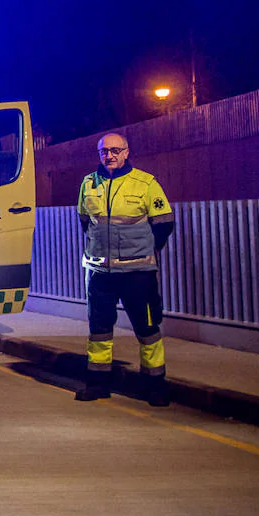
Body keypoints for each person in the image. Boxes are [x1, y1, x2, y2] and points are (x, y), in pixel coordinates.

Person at [76, 132, 175, 405]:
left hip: (137, 273)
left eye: (116, 150)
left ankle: (155, 386)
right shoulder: (88, 183)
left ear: (127, 152)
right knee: (99, 330)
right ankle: (97, 384)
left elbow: (164, 223)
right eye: (104, 151)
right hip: (99, 273)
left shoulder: (145, 183)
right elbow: (85, 220)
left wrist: (144, 252)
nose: (110, 155)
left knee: (147, 329)